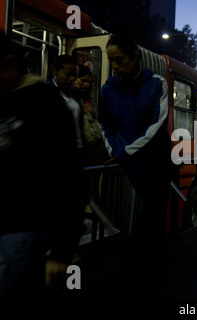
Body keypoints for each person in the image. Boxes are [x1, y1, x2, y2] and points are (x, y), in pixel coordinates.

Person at [0, 31, 86, 301]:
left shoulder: (44, 101)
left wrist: (62, 249)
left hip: (24, 227)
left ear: (8, 64)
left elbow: (69, 176)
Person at [98, 33, 171, 293]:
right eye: (111, 61)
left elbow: (158, 123)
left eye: (119, 60)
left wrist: (124, 151)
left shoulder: (157, 83)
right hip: (132, 159)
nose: (115, 66)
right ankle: (149, 263)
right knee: (155, 207)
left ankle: (138, 255)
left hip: (157, 156)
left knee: (154, 206)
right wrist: (117, 149)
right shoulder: (106, 89)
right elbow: (105, 124)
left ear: (134, 57)